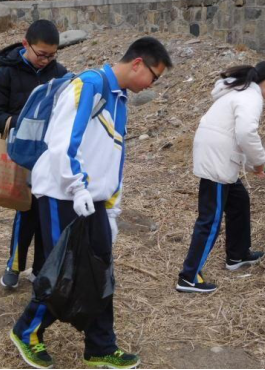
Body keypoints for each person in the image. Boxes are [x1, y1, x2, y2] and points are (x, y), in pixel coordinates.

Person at [10, 37, 172, 370]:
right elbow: (62, 143)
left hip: (93, 200)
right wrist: (78, 188)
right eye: (154, 76)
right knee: (62, 270)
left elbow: (115, 157)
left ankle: (100, 346)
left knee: (101, 272)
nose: (152, 84)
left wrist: (111, 206)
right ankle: (27, 331)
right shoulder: (89, 86)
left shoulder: (119, 99)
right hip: (61, 194)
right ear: (138, 63)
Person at [176, 61, 265, 294]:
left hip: (217, 153)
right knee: (210, 219)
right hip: (217, 158)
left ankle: (237, 254)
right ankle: (188, 276)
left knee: (239, 201)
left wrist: (252, 163)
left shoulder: (239, 91)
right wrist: (260, 162)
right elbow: (245, 133)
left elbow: (232, 132)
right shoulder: (251, 97)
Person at [0, 20, 68, 290]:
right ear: (25, 45)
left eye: (52, 55)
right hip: (20, 155)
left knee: (48, 210)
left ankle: (42, 268)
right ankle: (15, 265)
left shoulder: (60, 74)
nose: (46, 61)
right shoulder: (4, 74)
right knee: (25, 210)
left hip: (50, 155)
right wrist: (23, 121)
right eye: (41, 54)